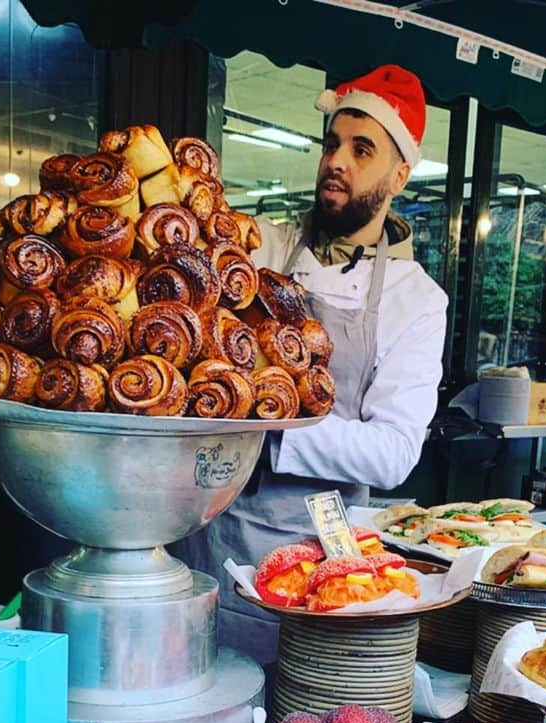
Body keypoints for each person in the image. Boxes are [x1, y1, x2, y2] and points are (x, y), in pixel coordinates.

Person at [178, 64, 448, 664]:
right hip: (204, 529)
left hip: (312, 563)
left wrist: (271, 422)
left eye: (362, 149)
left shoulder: (416, 299)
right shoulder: (265, 249)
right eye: (331, 144)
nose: (337, 161)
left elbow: (395, 452)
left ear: (399, 173)